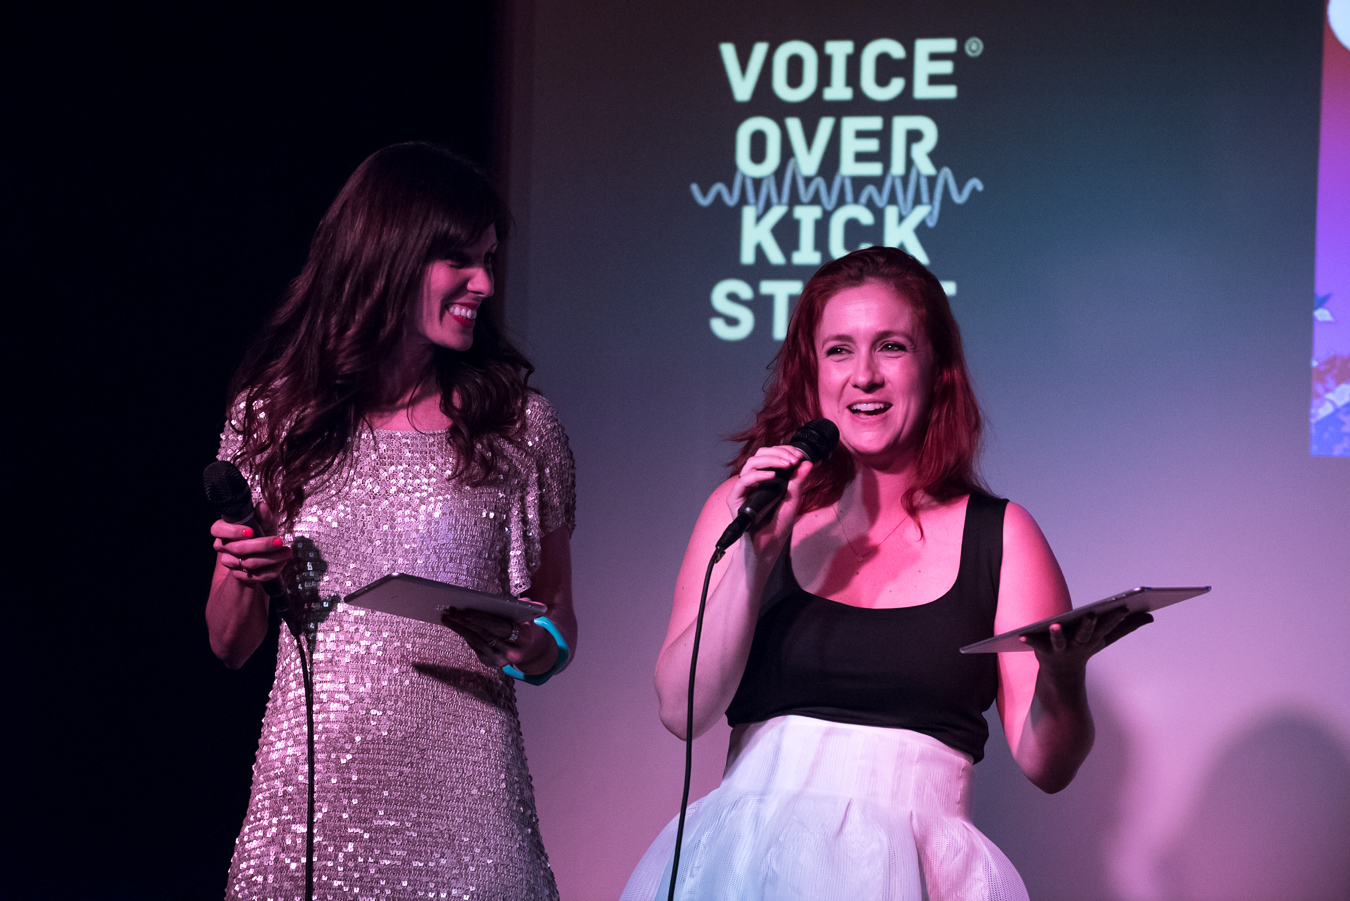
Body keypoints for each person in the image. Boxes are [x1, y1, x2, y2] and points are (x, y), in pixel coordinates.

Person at [621, 247, 1149, 901]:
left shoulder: (1003, 536)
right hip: (745, 865)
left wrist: (1065, 675)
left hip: (920, 872)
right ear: (812, 372)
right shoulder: (745, 508)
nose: (864, 376)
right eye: (838, 351)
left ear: (937, 369)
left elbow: (1048, 765)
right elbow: (682, 710)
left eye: (891, 347)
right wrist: (755, 560)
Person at [206, 143, 575, 901]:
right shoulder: (276, 416)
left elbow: (557, 622)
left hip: (470, 813)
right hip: (310, 815)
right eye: (458, 260)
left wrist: (533, 647)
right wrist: (244, 571)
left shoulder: (519, 427)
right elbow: (229, 642)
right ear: (388, 254)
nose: (484, 283)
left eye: (488, 259)